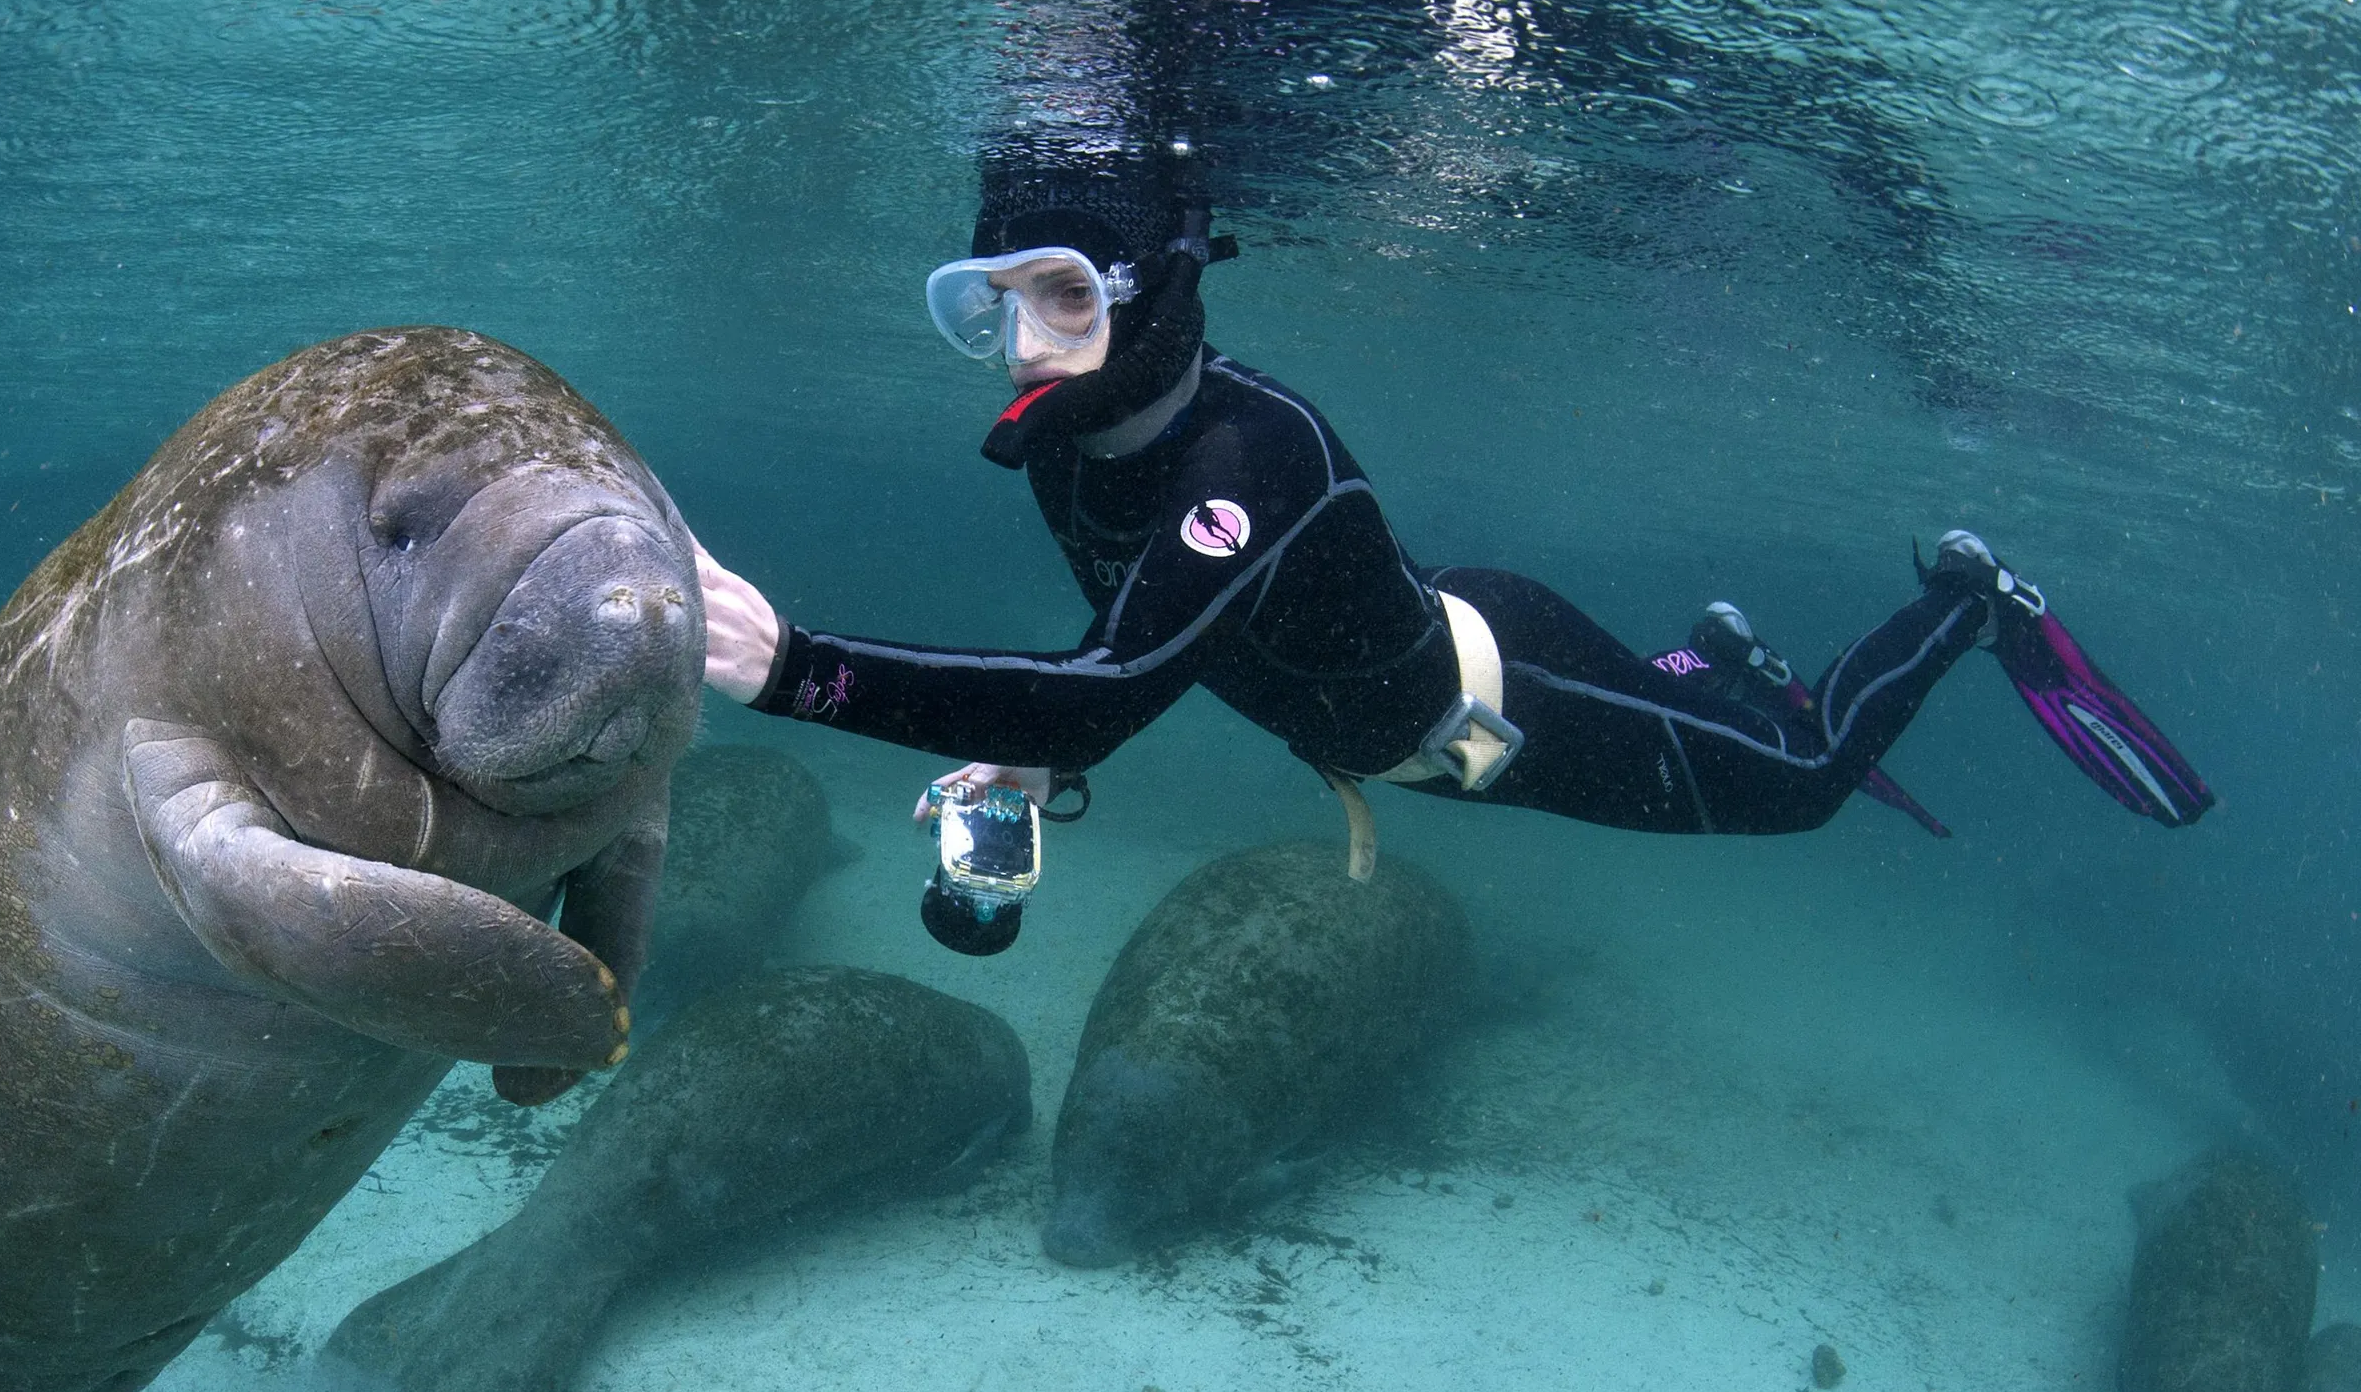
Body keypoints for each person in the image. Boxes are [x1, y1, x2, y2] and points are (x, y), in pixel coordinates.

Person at [696, 144, 2209, 950]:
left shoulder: (1249, 455)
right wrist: (1032, 765)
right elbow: (1145, 643)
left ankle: (1963, 599)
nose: (1027, 347)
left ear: (1153, 289)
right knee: (1727, 731)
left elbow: (1104, 687)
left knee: (1808, 796)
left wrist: (795, 672)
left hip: (1498, 703)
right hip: (1437, 677)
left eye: (1066, 299)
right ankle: (1731, 677)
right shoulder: (1067, 453)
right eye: (991, 305)